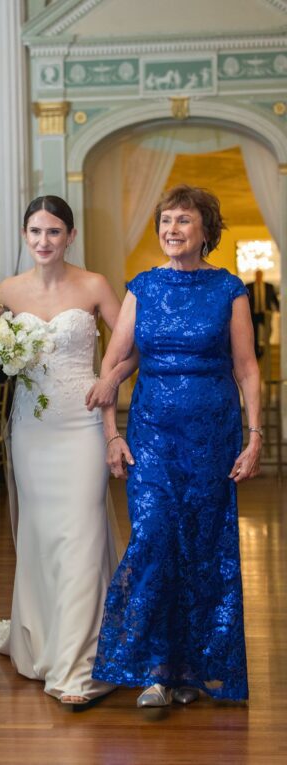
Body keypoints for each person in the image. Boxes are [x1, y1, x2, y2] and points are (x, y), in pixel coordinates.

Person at [91, 185, 260, 707]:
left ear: (206, 230)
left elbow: (246, 367)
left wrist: (254, 437)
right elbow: (115, 363)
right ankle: (154, 671)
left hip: (212, 436)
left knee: (204, 550)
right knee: (155, 540)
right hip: (152, 437)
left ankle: (191, 670)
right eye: (165, 221)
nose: (171, 230)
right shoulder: (142, 287)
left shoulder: (229, 289)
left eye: (183, 221)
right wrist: (111, 435)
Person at [0, 196, 136, 709]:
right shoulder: (5, 292)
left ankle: (80, 664)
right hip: (31, 428)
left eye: (53, 232)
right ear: (25, 235)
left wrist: (110, 377)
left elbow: (132, 344)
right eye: (34, 232)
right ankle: (42, 643)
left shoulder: (94, 286)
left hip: (84, 420)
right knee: (42, 535)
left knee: (83, 533)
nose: (43, 241)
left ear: (70, 235)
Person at [246, 268, 279, 359]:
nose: (259, 276)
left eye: (260, 275)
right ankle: (257, 352)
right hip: (253, 313)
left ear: (262, 275)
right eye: (257, 275)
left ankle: (265, 349)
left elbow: (274, 299)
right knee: (254, 333)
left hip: (265, 314)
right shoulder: (249, 286)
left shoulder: (269, 286)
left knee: (267, 332)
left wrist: (279, 309)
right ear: (255, 275)